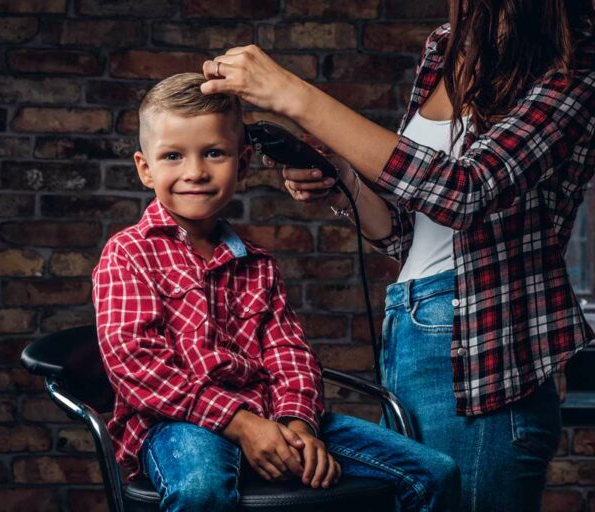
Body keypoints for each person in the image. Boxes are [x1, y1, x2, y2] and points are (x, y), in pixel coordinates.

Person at [199, 1, 595, 511]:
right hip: (410, 331)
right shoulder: (446, 46)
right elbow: (409, 232)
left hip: (487, 349)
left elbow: (465, 191)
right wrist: (344, 179)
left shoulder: (576, 66)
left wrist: (294, 96)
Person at [91, 72, 460, 512]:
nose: (194, 172)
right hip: (177, 422)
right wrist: (240, 424)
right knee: (201, 488)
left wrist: (297, 423)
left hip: (272, 417)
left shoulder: (258, 265)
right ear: (145, 168)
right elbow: (138, 366)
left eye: (214, 153)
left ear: (243, 164)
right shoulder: (128, 254)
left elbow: (290, 355)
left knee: (434, 473)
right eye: (173, 156)